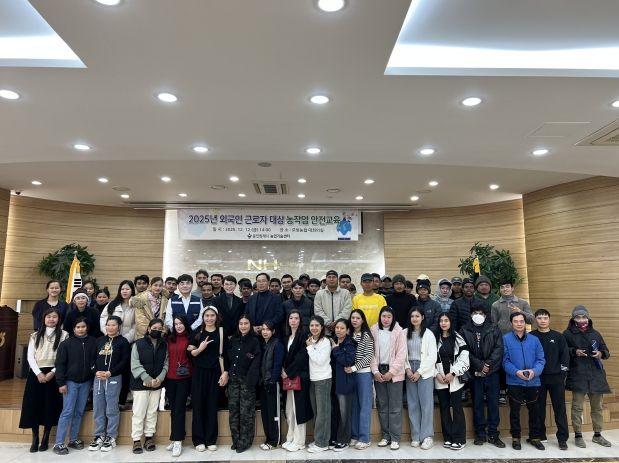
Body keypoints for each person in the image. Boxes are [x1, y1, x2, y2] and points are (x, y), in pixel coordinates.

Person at [20, 307, 69, 453]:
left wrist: (53, 372)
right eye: (49, 317)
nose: (51, 319)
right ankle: (35, 438)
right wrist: (38, 373)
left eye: (54, 317)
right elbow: (30, 356)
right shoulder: (35, 335)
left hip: (54, 373)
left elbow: (63, 357)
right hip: (36, 374)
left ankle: (45, 438)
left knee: (50, 405)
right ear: (44, 319)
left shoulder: (64, 335)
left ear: (58, 319)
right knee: (33, 405)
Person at [563, 305, 612, 448]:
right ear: (573, 319)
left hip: (596, 375)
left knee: (597, 408)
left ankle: (597, 435)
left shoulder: (595, 334)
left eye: (583, 317)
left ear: (588, 318)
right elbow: (563, 350)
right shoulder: (567, 334)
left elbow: (606, 351)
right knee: (577, 407)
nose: (581, 319)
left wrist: (601, 354)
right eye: (578, 317)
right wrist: (574, 352)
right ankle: (578, 435)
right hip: (578, 374)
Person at [460, 300, 505, 448]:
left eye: (480, 313)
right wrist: (479, 365)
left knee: (493, 404)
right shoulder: (464, 330)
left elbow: (499, 349)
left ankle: (493, 434)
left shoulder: (494, 328)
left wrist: (488, 366)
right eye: (475, 313)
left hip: (492, 373)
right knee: (477, 404)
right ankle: (480, 434)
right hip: (475, 373)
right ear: (470, 314)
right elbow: (464, 350)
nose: (478, 315)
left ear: (485, 315)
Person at [52, 317, 97, 455]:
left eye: (83, 326)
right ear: (73, 329)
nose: (81, 329)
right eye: (78, 327)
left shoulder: (93, 342)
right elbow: (60, 364)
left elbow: (95, 361)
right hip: (70, 382)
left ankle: (73, 439)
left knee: (79, 411)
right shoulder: (66, 344)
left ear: (87, 327)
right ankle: (59, 443)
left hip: (86, 382)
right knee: (67, 411)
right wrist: (61, 383)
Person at [187, 306, 229, 452]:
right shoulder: (196, 332)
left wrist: (226, 372)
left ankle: (211, 440)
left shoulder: (222, 332)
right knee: (198, 405)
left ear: (216, 317)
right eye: (207, 316)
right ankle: (198, 440)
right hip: (199, 373)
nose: (209, 318)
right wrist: (200, 348)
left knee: (212, 405)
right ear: (203, 317)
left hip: (215, 372)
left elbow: (226, 354)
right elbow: (190, 353)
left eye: (212, 315)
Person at [503, 312, 546, 451]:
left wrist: (534, 371)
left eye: (521, 321)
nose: (519, 324)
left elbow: (541, 359)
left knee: (535, 411)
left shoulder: (534, 339)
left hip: (533, 381)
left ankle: (535, 437)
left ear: (525, 322)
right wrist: (516, 372)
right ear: (511, 323)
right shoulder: (505, 339)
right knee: (514, 412)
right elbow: (505, 361)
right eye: (516, 321)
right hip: (514, 381)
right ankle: (516, 438)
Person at [89, 316, 130, 452]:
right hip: (98, 378)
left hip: (113, 378)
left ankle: (111, 436)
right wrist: (95, 371)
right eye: (108, 325)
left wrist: (110, 373)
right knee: (98, 408)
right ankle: (99, 435)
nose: (110, 327)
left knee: (111, 409)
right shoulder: (99, 340)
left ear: (119, 327)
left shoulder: (123, 342)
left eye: (113, 325)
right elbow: (92, 359)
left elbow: (124, 362)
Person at [530, 309, 569, 450]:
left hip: (556, 378)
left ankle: (562, 438)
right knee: (538, 408)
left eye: (545, 318)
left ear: (549, 320)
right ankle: (540, 435)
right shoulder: (531, 336)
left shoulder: (558, 336)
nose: (542, 320)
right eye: (539, 318)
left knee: (560, 409)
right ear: (535, 320)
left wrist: (562, 374)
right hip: (537, 378)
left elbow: (565, 356)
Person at [130, 318, 168, 454]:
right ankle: (136, 440)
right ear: (148, 329)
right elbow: (135, 363)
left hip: (157, 383)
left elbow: (166, 363)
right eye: (154, 328)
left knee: (152, 412)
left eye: (160, 329)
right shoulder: (138, 344)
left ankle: (149, 437)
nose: (156, 331)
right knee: (139, 412)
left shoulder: (164, 344)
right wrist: (146, 378)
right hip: (141, 384)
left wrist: (160, 378)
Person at [370, 306, 406, 450]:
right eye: (384, 316)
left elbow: (401, 354)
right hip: (379, 371)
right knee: (383, 405)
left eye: (389, 317)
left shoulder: (399, 331)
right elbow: (371, 353)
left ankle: (395, 438)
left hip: (394, 373)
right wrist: (375, 371)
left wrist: (392, 372)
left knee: (395, 407)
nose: (386, 319)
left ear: (393, 318)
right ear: (380, 317)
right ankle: (386, 436)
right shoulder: (373, 330)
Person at [434, 312, 469, 450]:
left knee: (457, 407)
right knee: (444, 408)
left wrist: (453, 373)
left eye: (446, 320)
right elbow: (430, 358)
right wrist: (437, 374)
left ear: (451, 322)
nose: (443, 323)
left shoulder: (458, 338)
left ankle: (459, 439)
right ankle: (448, 437)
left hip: (455, 379)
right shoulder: (434, 338)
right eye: (441, 320)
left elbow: (464, 358)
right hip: (440, 379)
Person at [227, 314, 262, 453]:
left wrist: (250, 381)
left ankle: (245, 441)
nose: (243, 326)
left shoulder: (254, 341)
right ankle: (236, 440)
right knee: (233, 411)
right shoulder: (233, 340)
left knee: (246, 412)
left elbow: (255, 363)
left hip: (247, 381)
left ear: (250, 325)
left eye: (246, 323)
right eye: (241, 323)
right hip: (233, 381)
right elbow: (228, 359)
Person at [403, 306, 436, 450]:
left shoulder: (429, 334)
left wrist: (420, 372)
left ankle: (427, 436)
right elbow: (401, 353)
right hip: (410, 369)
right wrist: (407, 368)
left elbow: (432, 356)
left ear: (422, 317)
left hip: (425, 370)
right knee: (413, 404)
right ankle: (415, 436)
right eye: (412, 316)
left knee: (426, 404)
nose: (414, 319)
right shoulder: (404, 333)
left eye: (417, 316)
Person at [101, 280, 137, 408]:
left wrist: (126, 339)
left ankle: (122, 401)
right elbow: (103, 319)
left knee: (125, 371)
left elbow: (137, 325)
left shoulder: (136, 306)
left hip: (128, 342)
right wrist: (109, 332)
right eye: (122, 289)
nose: (125, 291)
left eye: (127, 289)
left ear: (132, 290)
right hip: (111, 341)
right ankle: (108, 400)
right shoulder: (112, 304)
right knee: (112, 368)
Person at [281, 310, 313, 452]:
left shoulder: (304, 336)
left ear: (300, 321)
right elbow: (284, 356)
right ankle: (290, 438)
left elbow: (302, 357)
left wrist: (288, 372)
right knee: (289, 410)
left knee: (298, 409)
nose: (293, 320)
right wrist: (282, 370)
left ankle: (299, 441)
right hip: (287, 377)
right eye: (291, 318)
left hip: (299, 376)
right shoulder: (287, 337)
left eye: (296, 318)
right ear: (288, 320)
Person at [164, 315, 193, 457]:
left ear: (185, 324)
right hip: (170, 378)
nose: (178, 326)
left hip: (184, 378)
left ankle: (178, 441)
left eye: (181, 323)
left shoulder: (190, 339)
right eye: (176, 324)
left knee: (179, 409)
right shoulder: (169, 339)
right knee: (173, 409)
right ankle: (175, 436)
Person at [347, 309, 374, 450]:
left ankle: (364, 438)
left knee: (364, 406)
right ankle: (355, 435)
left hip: (363, 374)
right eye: (353, 318)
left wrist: (354, 368)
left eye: (358, 318)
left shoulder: (366, 336)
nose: (355, 320)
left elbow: (368, 357)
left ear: (362, 320)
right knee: (354, 406)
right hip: (351, 375)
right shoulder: (348, 334)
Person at [305, 315, 332, 453]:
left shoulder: (325, 342)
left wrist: (310, 348)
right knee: (316, 412)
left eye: (317, 325)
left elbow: (320, 361)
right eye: (312, 325)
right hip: (313, 379)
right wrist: (310, 346)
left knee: (323, 413)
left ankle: (322, 443)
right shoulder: (310, 340)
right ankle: (318, 439)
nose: (314, 328)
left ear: (322, 327)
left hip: (323, 379)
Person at [330, 318, 356, 451]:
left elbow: (347, 361)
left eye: (342, 328)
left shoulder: (350, 343)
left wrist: (336, 350)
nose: (339, 330)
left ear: (347, 330)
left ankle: (344, 440)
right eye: (337, 328)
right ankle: (335, 437)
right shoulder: (332, 341)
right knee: (335, 412)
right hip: (333, 382)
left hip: (345, 383)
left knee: (344, 413)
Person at [259, 320, 284, 451]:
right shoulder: (262, 344)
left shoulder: (277, 344)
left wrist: (273, 381)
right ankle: (268, 438)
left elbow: (277, 365)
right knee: (266, 413)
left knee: (274, 413)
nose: (265, 332)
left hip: (273, 384)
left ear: (273, 331)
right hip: (263, 383)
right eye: (263, 329)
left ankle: (275, 441)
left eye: (268, 329)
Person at [314, 269, 352, 335]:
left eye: (334, 277)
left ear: (338, 280)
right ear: (326, 280)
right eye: (329, 277)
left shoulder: (345, 293)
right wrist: (328, 323)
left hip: (342, 330)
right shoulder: (319, 293)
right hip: (325, 330)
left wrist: (336, 323)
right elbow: (318, 311)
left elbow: (347, 310)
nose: (331, 279)